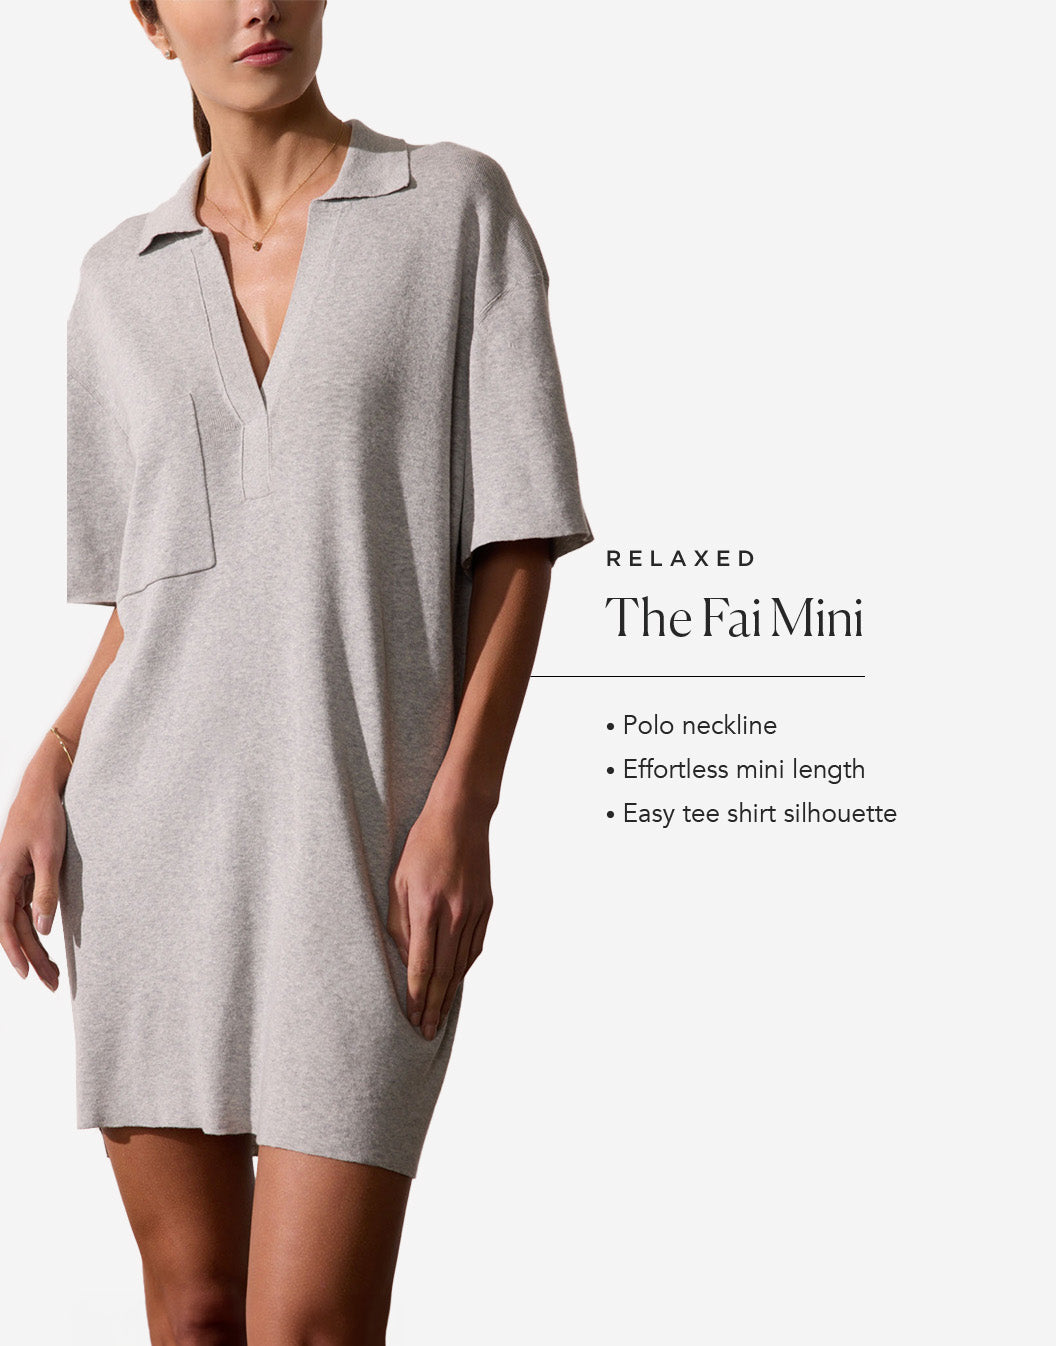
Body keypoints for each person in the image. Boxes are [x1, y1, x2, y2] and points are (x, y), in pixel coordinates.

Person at [0, 1, 593, 1341]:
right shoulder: (116, 280)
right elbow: (161, 589)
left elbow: (518, 538)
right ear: (152, 23)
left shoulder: (452, 209)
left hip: (363, 841)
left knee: (310, 1325)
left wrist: (463, 806)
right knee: (196, 1311)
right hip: (148, 848)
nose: (255, 5)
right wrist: (51, 757)